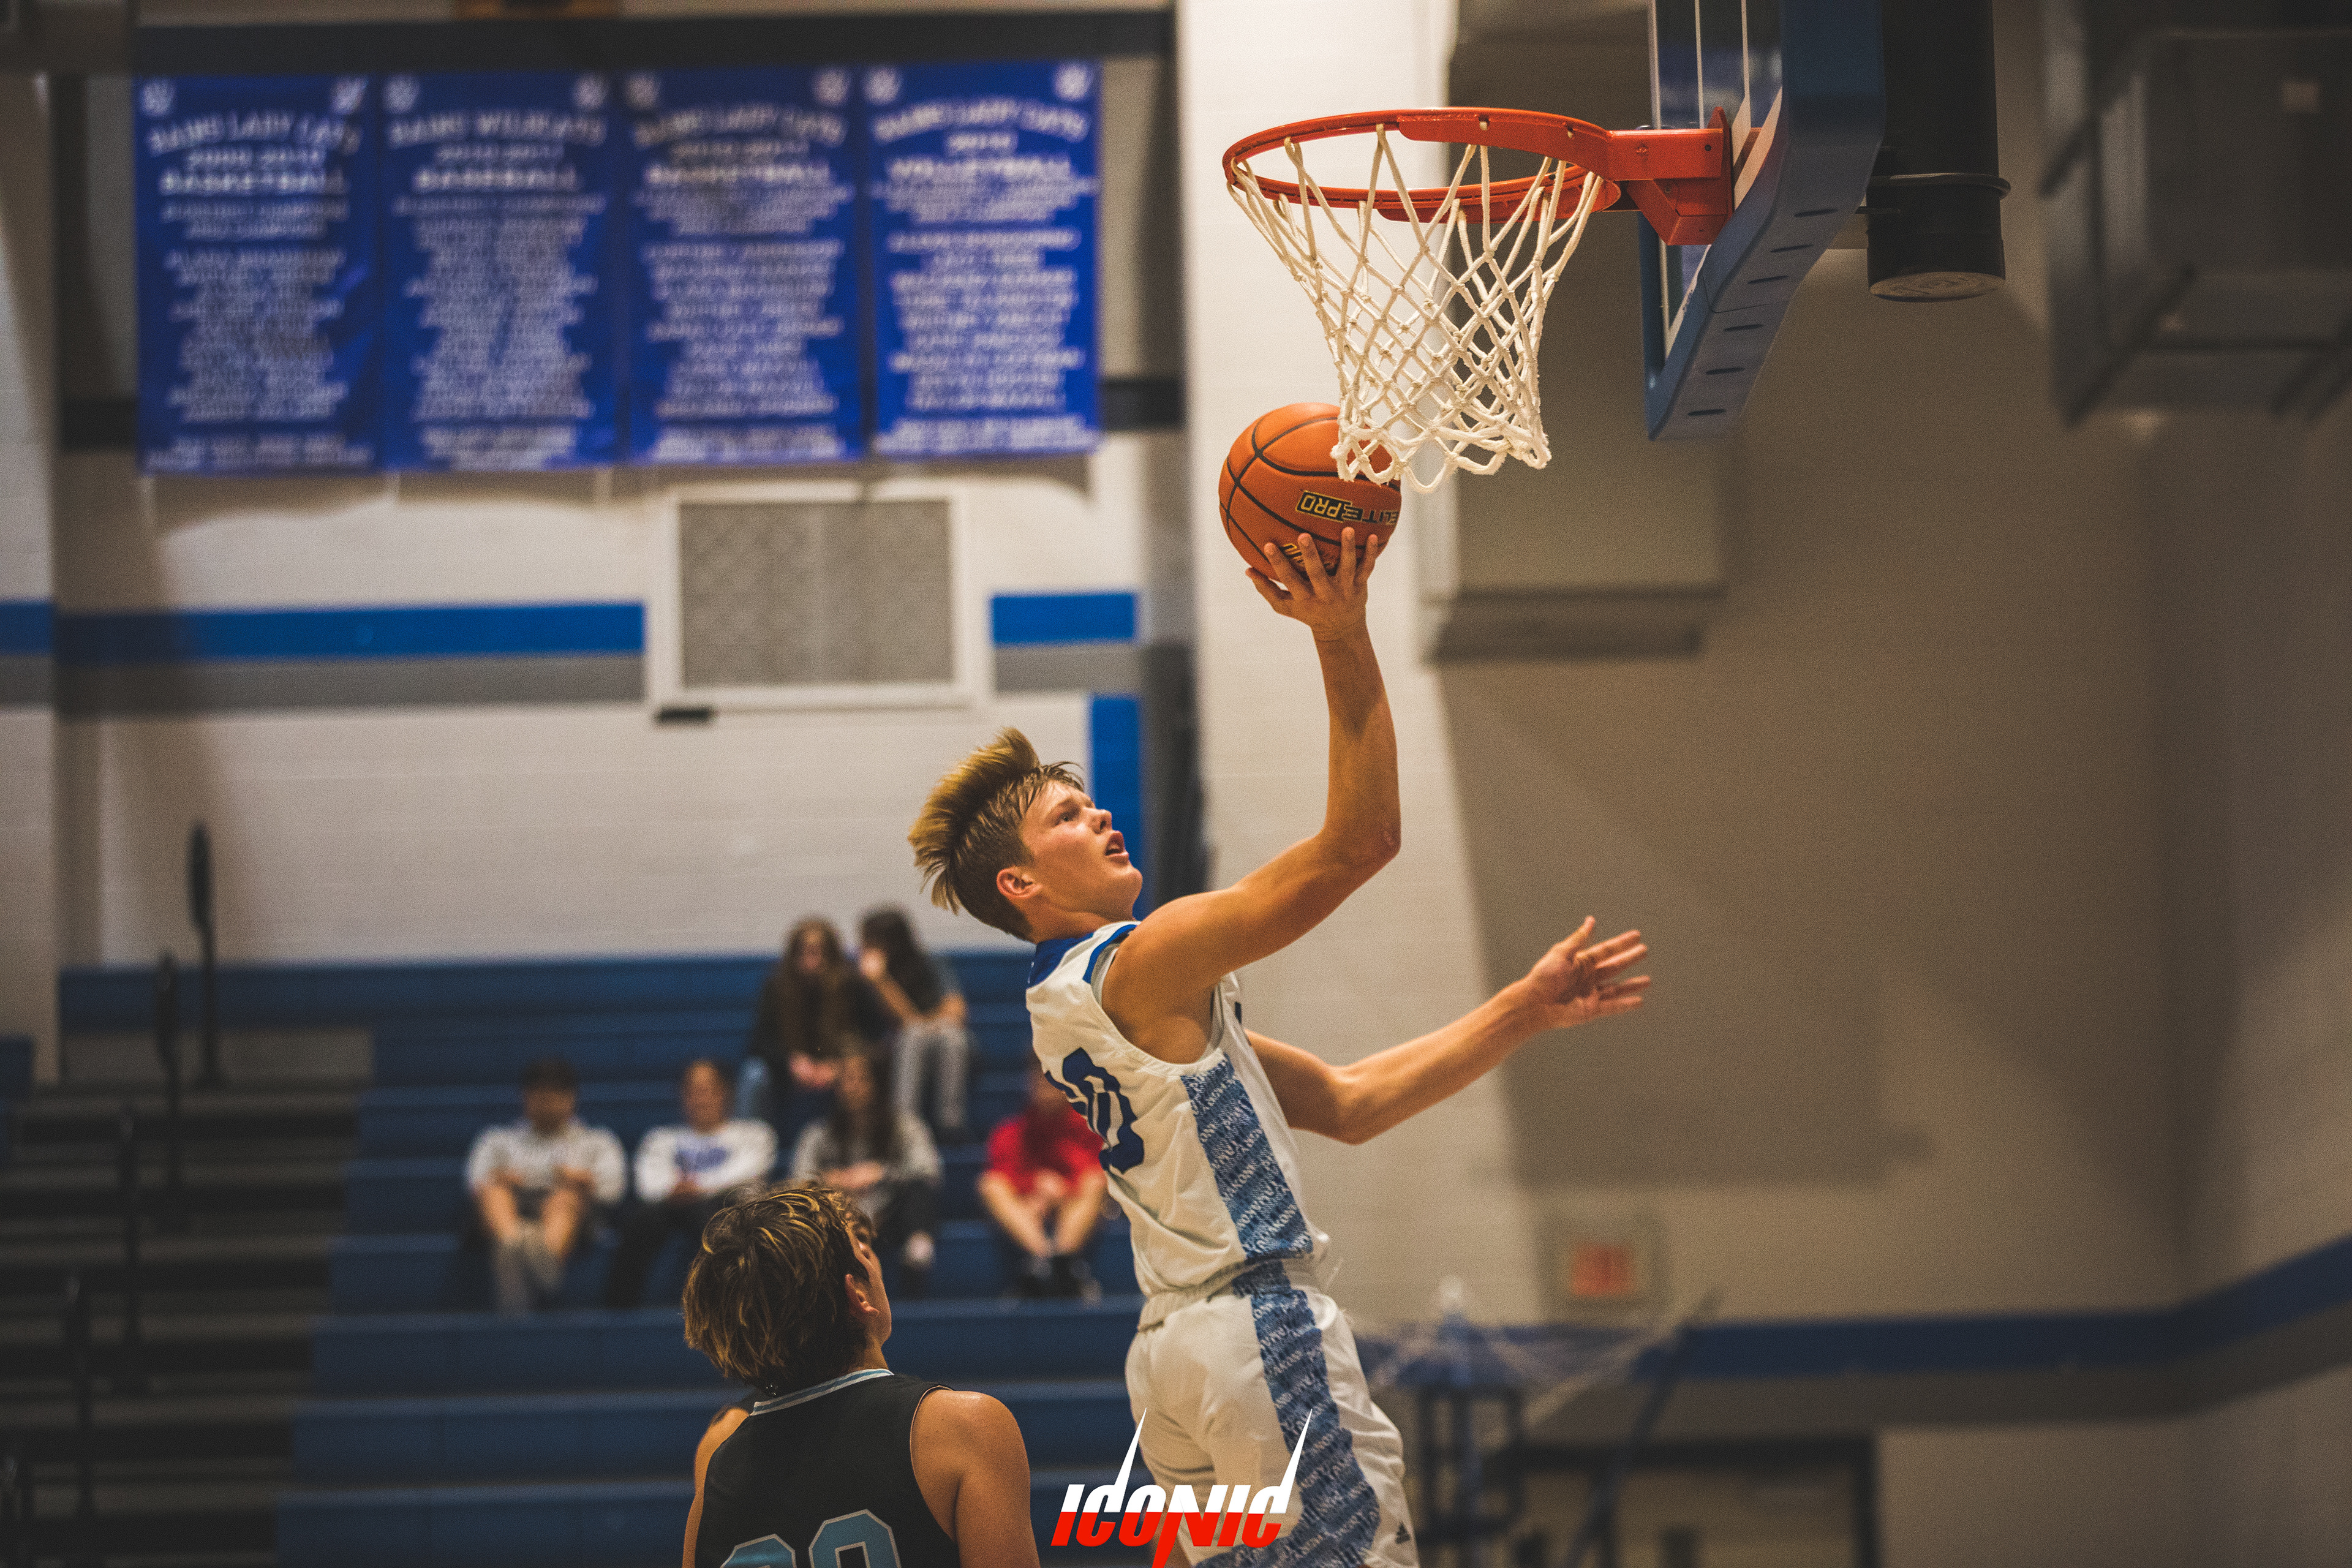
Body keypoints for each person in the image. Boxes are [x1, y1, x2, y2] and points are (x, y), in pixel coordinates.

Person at [908, 526, 1650, 1566]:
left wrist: (1523, 1009)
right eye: (1070, 817)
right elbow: (1361, 843)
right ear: (1020, 885)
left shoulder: (1066, 1003)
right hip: (1255, 1335)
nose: (1104, 815)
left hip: (1174, 1361)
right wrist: (1340, 632)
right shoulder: (1143, 960)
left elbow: (1348, 1102)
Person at [681, 1186, 1038, 1568]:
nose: (870, 1252)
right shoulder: (966, 1426)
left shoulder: (717, 1474)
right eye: (860, 1248)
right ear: (857, 1294)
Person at [603, 1058, 777, 1309]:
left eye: (707, 1090)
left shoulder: (754, 1134)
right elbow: (648, 1185)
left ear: (725, 1093)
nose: (700, 1099)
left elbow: (749, 1172)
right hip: (670, 1207)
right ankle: (619, 1311)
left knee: (725, 1218)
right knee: (640, 1221)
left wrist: (697, 1187)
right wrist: (677, 1191)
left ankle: (728, 1308)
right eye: (692, 1091)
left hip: (721, 1205)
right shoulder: (660, 1139)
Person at [465, 1056, 627, 1315]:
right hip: (507, 1217)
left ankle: (539, 1262)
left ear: (571, 1098)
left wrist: (583, 1182)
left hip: (572, 1221)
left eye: (555, 1096)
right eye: (540, 1096)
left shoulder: (597, 1140)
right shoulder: (497, 1140)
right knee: (494, 1193)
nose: (547, 1105)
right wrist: (502, 1179)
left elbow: (614, 1190)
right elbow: (476, 1184)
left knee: (565, 1198)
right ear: (525, 1097)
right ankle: (520, 1247)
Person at [788, 1046, 941, 1297]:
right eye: (845, 1080)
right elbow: (798, 1179)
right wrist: (831, 1180)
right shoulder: (819, 1133)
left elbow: (929, 1169)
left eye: (860, 1079)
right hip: (840, 1221)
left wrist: (881, 1172)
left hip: (888, 1218)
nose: (851, 1087)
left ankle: (917, 1254)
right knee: (803, 1204)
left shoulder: (904, 1125)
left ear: (878, 1083)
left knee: (920, 1187)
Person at [745, 918, 890, 1144]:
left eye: (818, 952)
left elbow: (877, 1036)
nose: (811, 960)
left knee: (866, 1075)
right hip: (791, 1069)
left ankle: (868, 1143)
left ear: (831, 955)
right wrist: (791, 1063)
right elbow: (760, 1041)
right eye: (805, 952)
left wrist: (841, 1066)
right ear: (794, 955)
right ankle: (751, 1144)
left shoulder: (851, 984)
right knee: (755, 1074)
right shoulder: (777, 986)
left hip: (842, 1067)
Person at [981, 1061, 1109, 1299]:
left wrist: (1063, 1189)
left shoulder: (1090, 1127)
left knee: (1095, 1182)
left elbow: (1097, 1171)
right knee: (991, 1185)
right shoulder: (1010, 1131)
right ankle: (1049, 1263)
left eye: (1051, 1079)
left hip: (1073, 1203)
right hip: (1029, 1208)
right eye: (1038, 1078)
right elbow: (1002, 1173)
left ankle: (1062, 1261)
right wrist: (1034, 1188)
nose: (1045, 1086)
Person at [857, 906, 973, 1143]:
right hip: (895, 1046)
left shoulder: (930, 963)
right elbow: (905, 1021)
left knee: (954, 1037)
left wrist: (925, 1024)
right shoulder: (868, 978)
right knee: (913, 1036)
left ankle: (951, 1124)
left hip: (939, 1037)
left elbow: (956, 1012)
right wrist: (880, 981)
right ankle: (904, 1124)